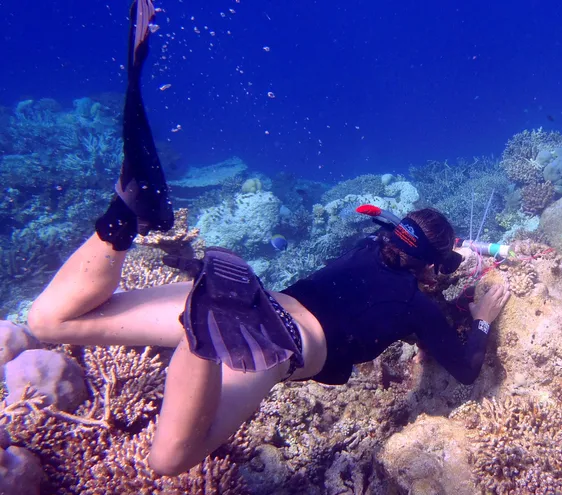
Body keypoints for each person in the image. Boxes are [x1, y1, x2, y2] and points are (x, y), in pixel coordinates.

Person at [26, 0, 510, 477]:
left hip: (258, 296)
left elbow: (404, 251)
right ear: (429, 263)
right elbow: (466, 368)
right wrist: (482, 319)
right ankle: (206, 335)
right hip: (278, 341)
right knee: (170, 459)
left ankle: (122, 219)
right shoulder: (415, 306)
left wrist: (437, 256)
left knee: (49, 321)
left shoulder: (367, 245)